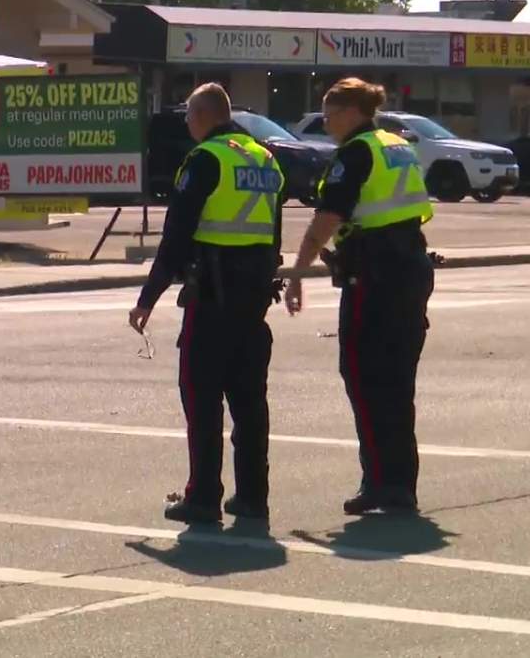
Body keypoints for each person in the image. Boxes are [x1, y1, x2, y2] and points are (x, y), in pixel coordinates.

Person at [129, 83, 285, 524]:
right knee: (250, 403)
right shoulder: (264, 158)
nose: (186, 124)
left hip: (211, 299)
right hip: (253, 301)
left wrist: (148, 299)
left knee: (202, 401)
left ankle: (203, 497)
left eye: (188, 117)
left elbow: (176, 237)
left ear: (203, 117)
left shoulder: (205, 160)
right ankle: (253, 496)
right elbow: (273, 235)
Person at [284, 77, 434, 515]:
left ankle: (379, 482)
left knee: (363, 376)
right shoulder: (396, 144)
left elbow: (326, 218)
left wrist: (297, 273)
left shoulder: (356, 152)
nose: (326, 122)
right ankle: (400, 484)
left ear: (352, 112)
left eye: (330, 114)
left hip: (375, 275)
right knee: (397, 382)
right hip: (410, 267)